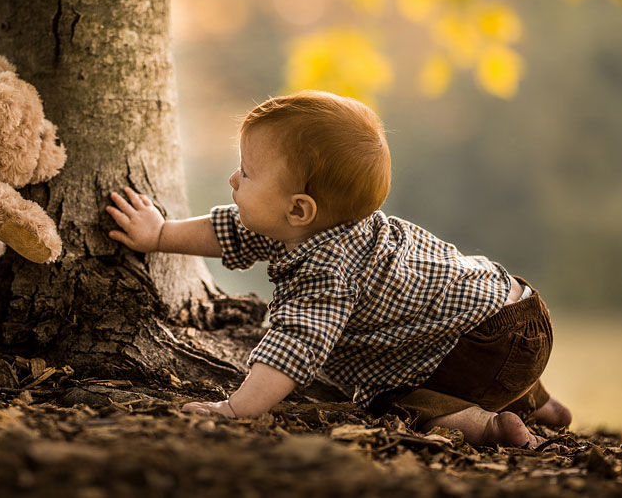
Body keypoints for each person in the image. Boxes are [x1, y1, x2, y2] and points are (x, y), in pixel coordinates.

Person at [105, 90, 571, 448]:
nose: (233, 179)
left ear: (300, 210)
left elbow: (293, 347)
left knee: (395, 398)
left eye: (246, 173)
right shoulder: (316, 225)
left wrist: (235, 409)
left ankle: (489, 426)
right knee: (475, 350)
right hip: (516, 309)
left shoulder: (324, 273)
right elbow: (232, 229)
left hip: (484, 343)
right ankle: (541, 402)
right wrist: (161, 235)